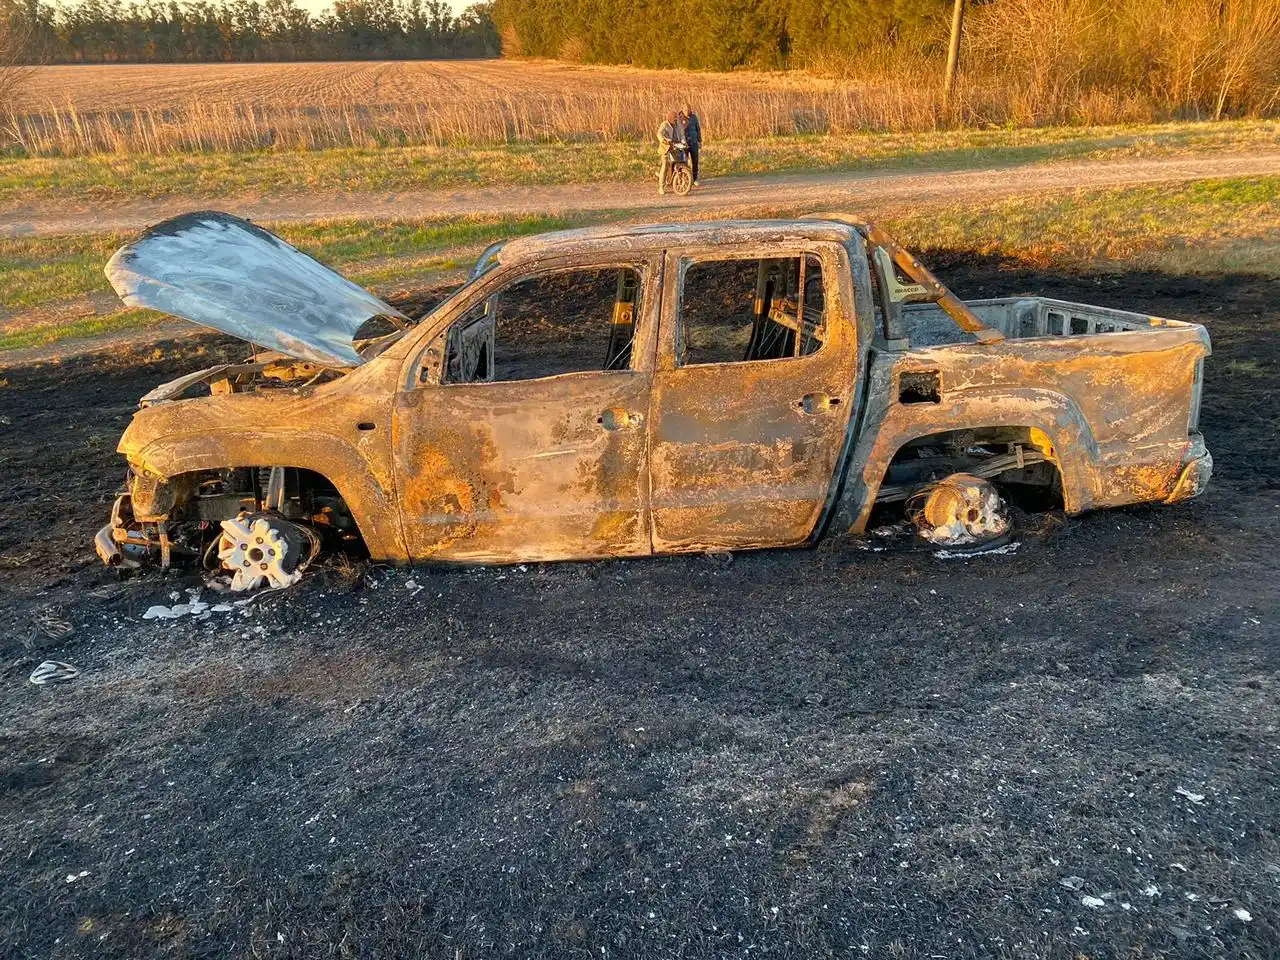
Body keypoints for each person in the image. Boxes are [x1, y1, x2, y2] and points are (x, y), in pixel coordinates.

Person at [656, 110, 680, 195]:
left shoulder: (677, 125)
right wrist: (663, 140)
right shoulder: (664, 125)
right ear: (670, 118)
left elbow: (681, 134)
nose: (676, 119)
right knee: (665, 165)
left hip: (674, 147)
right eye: (675, 118)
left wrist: (683, 141)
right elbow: (659, 133)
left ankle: (675, 179)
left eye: (676, 118)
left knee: (679, 161)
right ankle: (661, 187)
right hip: (665, 148)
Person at [681, 103, 702, 185]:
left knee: (695, 160)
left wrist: (699, 141)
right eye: (685, 109)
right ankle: (685, 178)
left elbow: (698, 129)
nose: (687, 111)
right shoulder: (679, 118)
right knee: (684, 161)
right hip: (684, 144)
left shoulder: (694, 117)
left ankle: (695, 178)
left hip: (693, 142)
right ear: (682, 109)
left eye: (688, 109)